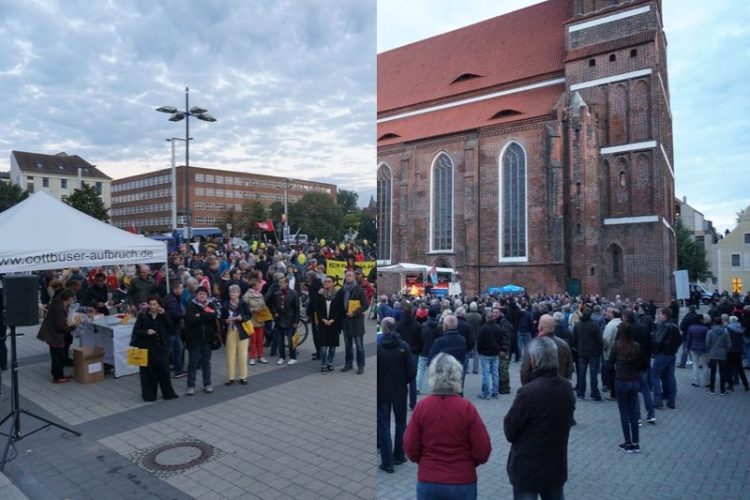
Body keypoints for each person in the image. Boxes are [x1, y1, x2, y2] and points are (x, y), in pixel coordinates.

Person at [404, 353, 491, 499]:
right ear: (457, 375)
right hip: (462, 480)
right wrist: (468, 463)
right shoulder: (467, 408)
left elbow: (410, 447)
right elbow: (483, 450)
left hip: (429, 480)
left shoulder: (422, 407)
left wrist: (426, 462)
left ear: (432, 376)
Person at [504, 336, 575, 500]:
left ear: (533, 360)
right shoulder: (566, 387)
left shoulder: (528, 392)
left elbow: (509, 429)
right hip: (555, 464)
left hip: (528, 467)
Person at [377, 317, 415, 473]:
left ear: (384, 328)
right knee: (400, 423)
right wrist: (403, 381)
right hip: (400, 391)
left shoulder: (379, 347)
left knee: (384, 425)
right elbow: (411, 371)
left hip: (383, 391)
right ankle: (399, 455)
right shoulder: (403, 346)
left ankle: (387, 462)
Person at [131, 297, 179, 402]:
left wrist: (165, 314)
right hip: (147, 348)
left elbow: (171, 327)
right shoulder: (143, 316)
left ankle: (168, 393)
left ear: (159, 305)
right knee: (148, 374)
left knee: (164, 372)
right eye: (151, 304)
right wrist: (146, 332)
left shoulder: (163, 315)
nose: (152, 307)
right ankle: (149, 395)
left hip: (161, 348)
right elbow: (136, 332)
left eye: (155, 304)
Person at [609, 322, 641, 453]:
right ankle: (636, 442)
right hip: (633, 379)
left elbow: (610, 362)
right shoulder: (636, 346)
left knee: (624, 412)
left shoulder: (617, 345)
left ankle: (627, 442)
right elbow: (640, 362)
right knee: (633, 412)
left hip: (621, 379)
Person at [184, 287, 220, 395]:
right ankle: (191, 385)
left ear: (207, 295)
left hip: (207, 339)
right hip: (194, 340)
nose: (202, 296)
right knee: (193, 363)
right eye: (200, 294)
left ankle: (207, 383)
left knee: (206, 362)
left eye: (204, 294)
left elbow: (214, 316)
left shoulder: (210, 304)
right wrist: (205, 316)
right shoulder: (191, 305)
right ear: (196, 295)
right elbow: (191, 319)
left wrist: (200, 315)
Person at [37, 288, 77, 383]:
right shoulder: (59, 308)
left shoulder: (59, 302)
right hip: (54, 335)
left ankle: (59, 375)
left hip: (53, 334)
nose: (73, 300)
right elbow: (60, 325)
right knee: (58, 356)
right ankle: (58, 377)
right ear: (68, 298)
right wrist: (72, 327)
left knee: (57, 355)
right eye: (72, 298)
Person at [520, 314, 573, 386]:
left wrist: (527, 387)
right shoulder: (564, 345)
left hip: (536, 388)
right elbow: (569, 368)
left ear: (540, 327)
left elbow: (525, 371)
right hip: (558, 387)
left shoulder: (533, 345)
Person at [336, 270, 368, 374]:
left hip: (356, 321)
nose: (348, 277)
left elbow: (365, 305)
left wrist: (354, 312)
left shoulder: (359, 290)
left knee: (359, 345)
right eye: (346, 276)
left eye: (350, 275)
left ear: (354, 277)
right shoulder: (343, 289)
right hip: (345, 320)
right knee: (347, 345)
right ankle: (348, 364)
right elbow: (337, 302)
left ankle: (361, 365)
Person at [221, 284, 251, 385]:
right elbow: (222, 318)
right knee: (230, 355)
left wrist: (241, 318)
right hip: (230, 331)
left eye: (234, 292)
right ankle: (230, 377)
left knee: (242, 355)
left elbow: (248, 315)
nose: (232, 294)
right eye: (230, 292)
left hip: (242, 331)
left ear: (239, 293)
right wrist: (226, 321)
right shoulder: (225, 304)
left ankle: (243, 377)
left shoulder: (243, 303)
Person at [651, 308, 681, 409]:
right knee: (670, 376)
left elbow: (657, 341)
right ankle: (671, 401)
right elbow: (680, 340)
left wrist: (654, 351)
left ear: (664, 315)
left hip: (662, 354)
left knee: (655, 376)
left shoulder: (664, 326)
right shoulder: (674, 326)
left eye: (660, 314)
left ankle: (658, 401)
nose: (659, 316)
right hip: (671, 354)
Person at [268, 275, 300, 365]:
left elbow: (297, 308)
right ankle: (282, 357)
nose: (280, 284)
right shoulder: (277, 293)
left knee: (290, 340)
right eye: (279, 282)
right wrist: (274, 313)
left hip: (290, 320)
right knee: (280, 340)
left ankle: (293, 357)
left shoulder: (293, 293)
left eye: (281, 282)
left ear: (286, 283)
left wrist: (296, 321)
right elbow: (272, 304)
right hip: (279, 320)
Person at [572, 307, 604, 401]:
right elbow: (599, 340)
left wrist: (577, 348)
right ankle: (594, 393)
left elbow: (574, 339)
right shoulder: (594, 326)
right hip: (594, 353)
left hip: (582, 352)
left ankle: (581, 393)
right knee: (593, 374)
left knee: (582, 373)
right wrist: (600, 350)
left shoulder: (578, 325)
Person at [316, 275, 343, 372]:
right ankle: (323, 364)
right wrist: (323, 319)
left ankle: (330, 363)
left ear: (333, 283)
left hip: (334, 324)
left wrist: (333, 320)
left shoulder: (338, 294)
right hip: (323, 323)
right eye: (325, 281)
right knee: (323, 347)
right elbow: (317, 309)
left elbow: (340, 309)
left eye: (329, 281)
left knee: (332, 347)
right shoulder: (320, 294)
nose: (326, 283)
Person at [476, 307, 504, 399]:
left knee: (486, 374)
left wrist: (479, 351)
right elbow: (501, 340)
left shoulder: (483, 328)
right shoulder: (498, 327)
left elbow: (479, 342)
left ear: (486, 318)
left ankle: (486, 393)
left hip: (485, 353)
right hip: (495, 353)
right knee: (495, 373)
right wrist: (500, 349)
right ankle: (495, 392)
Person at [163, 280, 186, 378]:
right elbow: (174, 314)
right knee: (172, 350)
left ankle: (178, 369)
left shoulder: (171, 297)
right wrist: (184, 315)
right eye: (180, 288)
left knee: (177, 349)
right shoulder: (172, 300)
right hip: (171, 329)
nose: (182, 290)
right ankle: (171, 370)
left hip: (172, 329)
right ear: (175, 289)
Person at [243, 278, 269, 366]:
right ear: (253, 286)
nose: (259, 286)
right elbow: (244, 308)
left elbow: (264, 305)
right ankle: (252, 357)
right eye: (258, 284)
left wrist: (263, 309)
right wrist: (253, 310)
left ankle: (261, 356)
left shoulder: (260, 295)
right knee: (253, 340)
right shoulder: (247, 295)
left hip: (260, 319)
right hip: (252, 320)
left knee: (260, 339)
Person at [705, 316, 731, 395]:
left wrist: (710, 350)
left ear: (714, 323)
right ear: (721, 322)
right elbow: (729, 344)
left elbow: (707, 343)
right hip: (722, 354)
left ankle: (712, 389)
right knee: (722, 372)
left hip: (713, 353)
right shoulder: (725, 332)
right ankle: (722, 390)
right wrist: (725, 351)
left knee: (713, 372)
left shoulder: (710, 332)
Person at [685, 314, 710, 388]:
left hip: (694, 348)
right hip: (704, 348)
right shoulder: (706, 328)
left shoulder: (691, 328)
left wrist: (687, 347)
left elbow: (689, 339)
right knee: (705, 365)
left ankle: (696, 381)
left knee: (695, 365)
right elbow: (708, 340)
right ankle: (707, 382)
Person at [726, 316, 749, 391]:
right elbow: (745, 341)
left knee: (729, 368)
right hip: (738, 350)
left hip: (730, 350)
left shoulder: (728, 329)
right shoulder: (741, 329)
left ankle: (730, 386)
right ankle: (746, 385)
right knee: (740, 368)